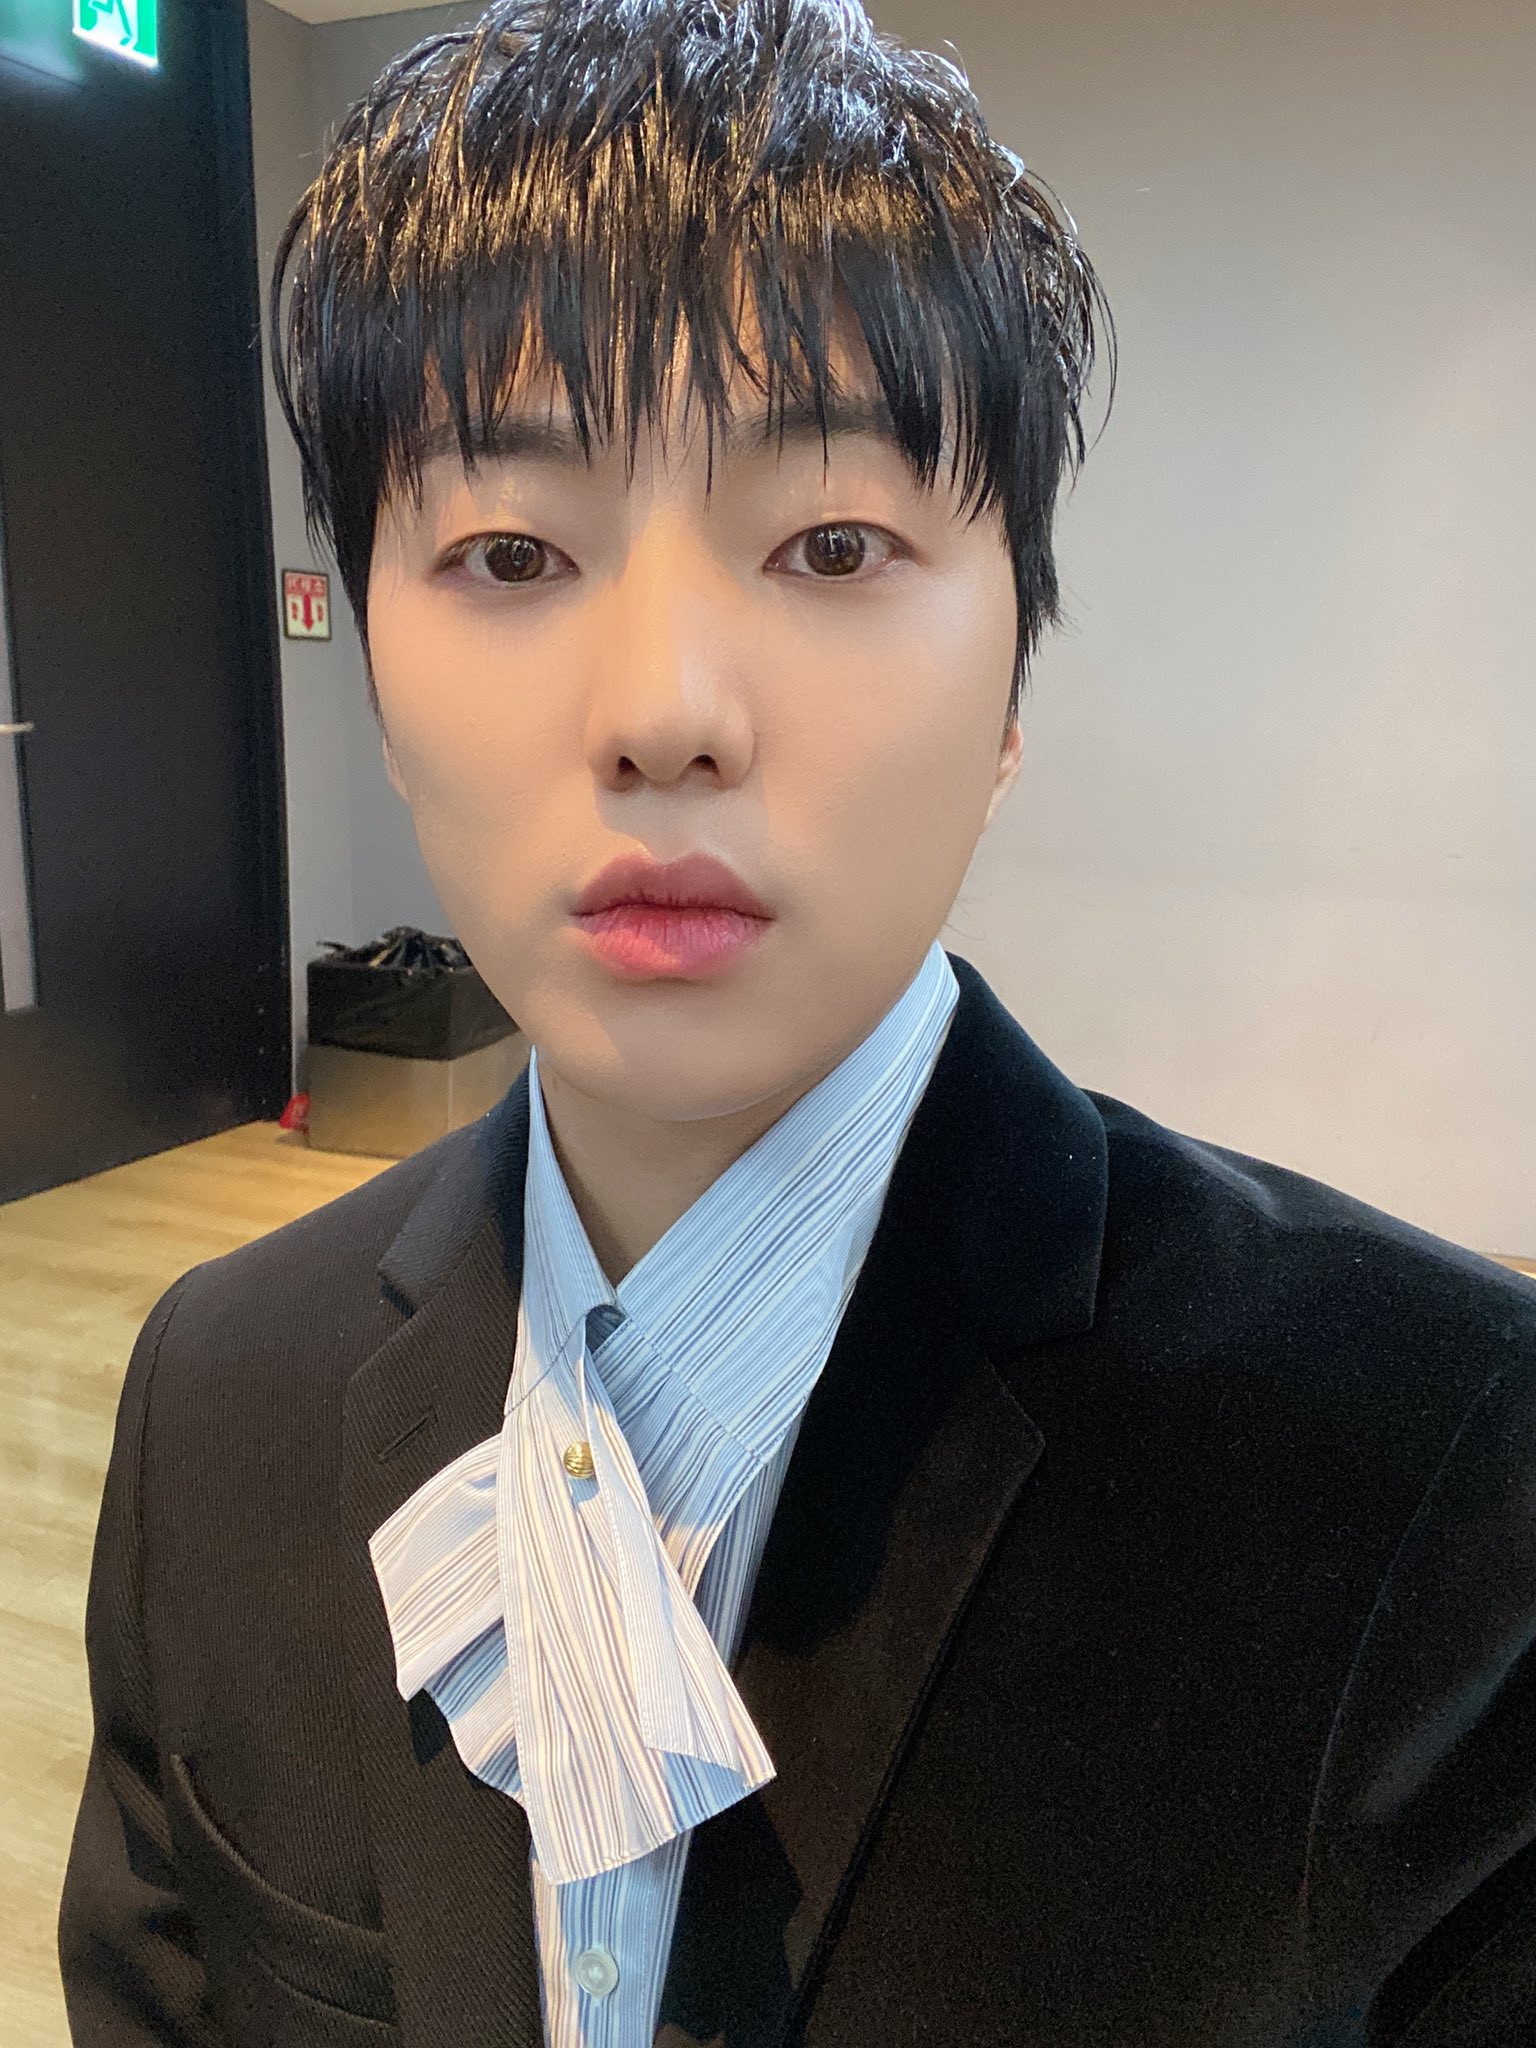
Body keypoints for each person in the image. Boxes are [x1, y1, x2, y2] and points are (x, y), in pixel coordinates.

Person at [58, 2, 1536, 2043]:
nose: (666, 710)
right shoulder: (214, 1403)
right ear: (377, 677)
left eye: (833, 544)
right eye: (510, 549)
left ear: (1011, 679)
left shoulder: (1450, 1488)